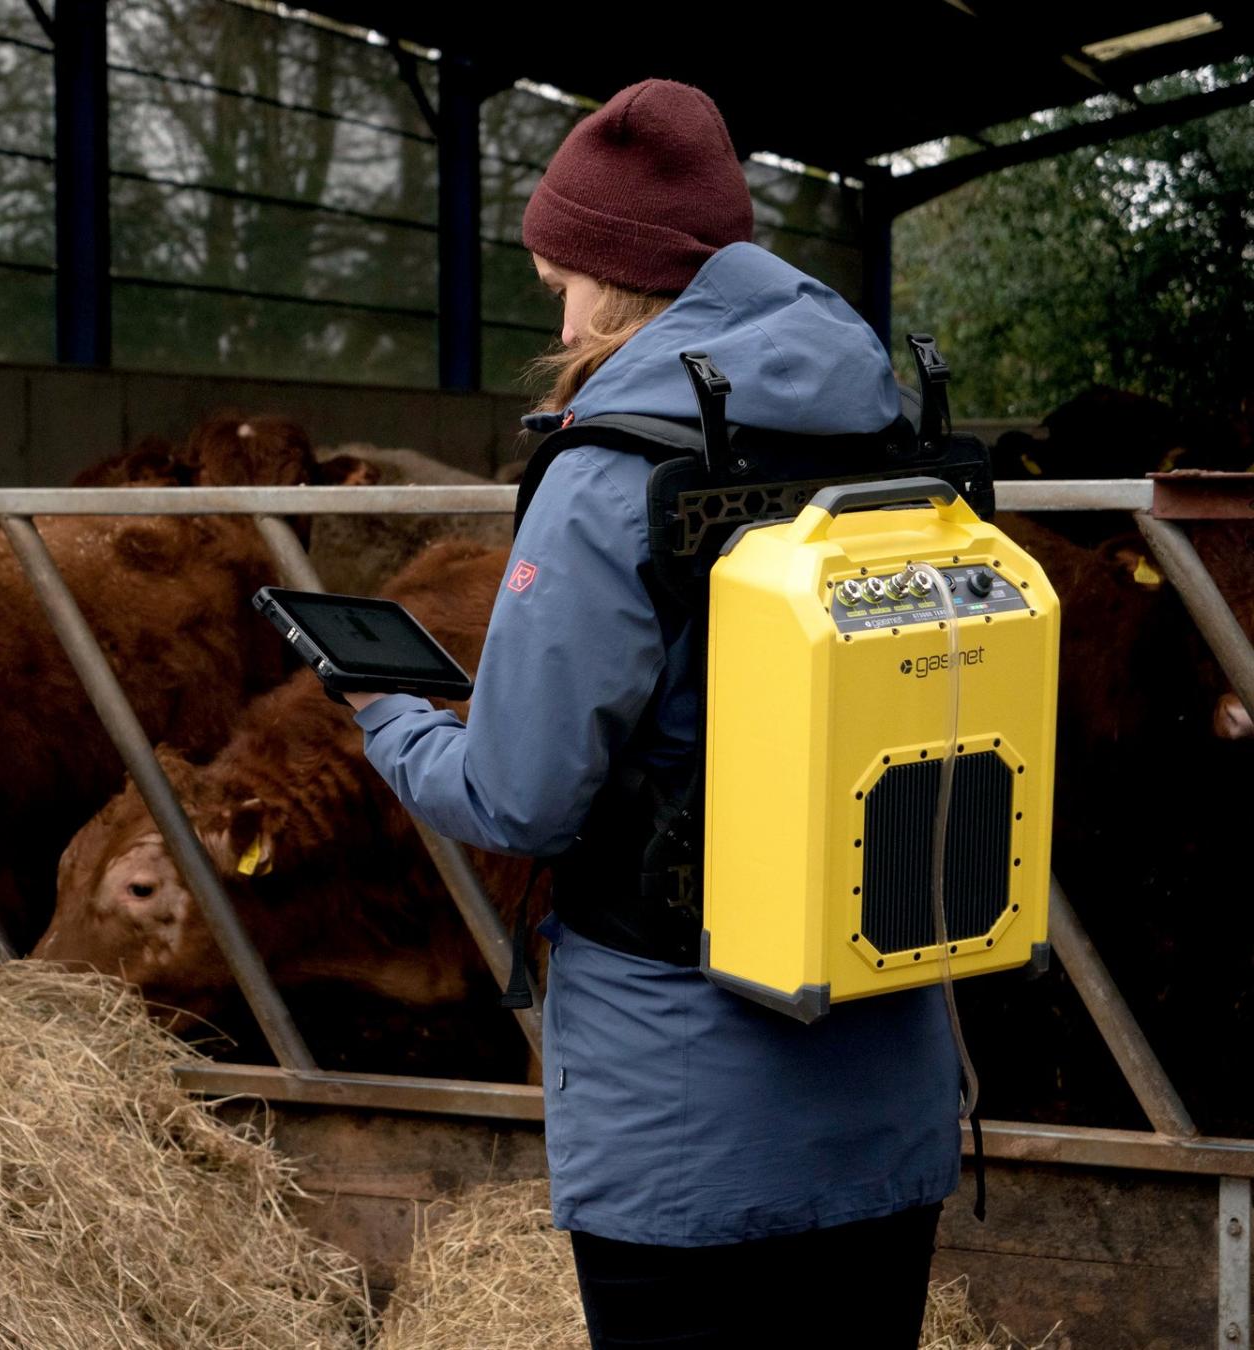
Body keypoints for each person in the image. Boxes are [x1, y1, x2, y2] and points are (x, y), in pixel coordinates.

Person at [341, 80, 960, 1348]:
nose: (556, 312)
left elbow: (519, 795)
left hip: (687, 1121)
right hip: (890, 1079)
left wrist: (388, 716)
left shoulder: (615, 465)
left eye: (560, 277)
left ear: (617, 278)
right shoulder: (883, 425)